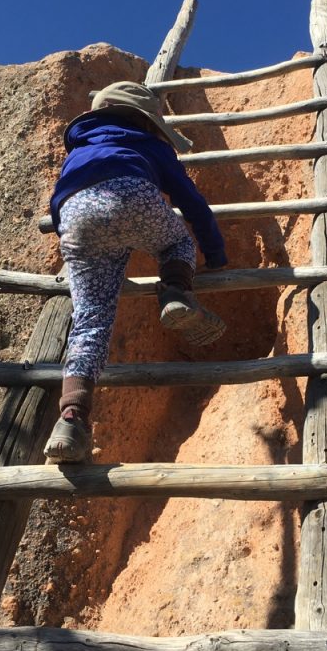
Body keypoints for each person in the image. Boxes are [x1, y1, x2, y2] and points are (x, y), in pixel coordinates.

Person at [44, 81, 228, 463]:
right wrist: (215, 253)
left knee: (91, 320)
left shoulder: (79, 150)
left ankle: (71, 419)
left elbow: (59, 200)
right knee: (177, 245)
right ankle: (174, 291)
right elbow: (191, 202)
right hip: (131, 194)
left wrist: (72, 235)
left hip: (75, 217)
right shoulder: (150, 144)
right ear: (147, 122)